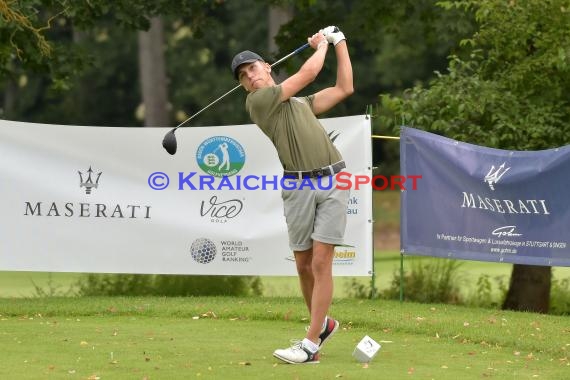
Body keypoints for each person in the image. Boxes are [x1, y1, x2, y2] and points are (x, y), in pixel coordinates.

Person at [231, 26, 353, 364]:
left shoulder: (300, 105)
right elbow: (310, 71)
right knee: (303, 265)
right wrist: (322, 44)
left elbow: (345, 88)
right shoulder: (258, 102)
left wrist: (339, 41)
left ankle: (311, 343)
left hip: (333, 181)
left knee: (320, 261)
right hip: (297, 187)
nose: (250, 77)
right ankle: (323, 324)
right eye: (243, 76)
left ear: (267, 67)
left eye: (253, 67)